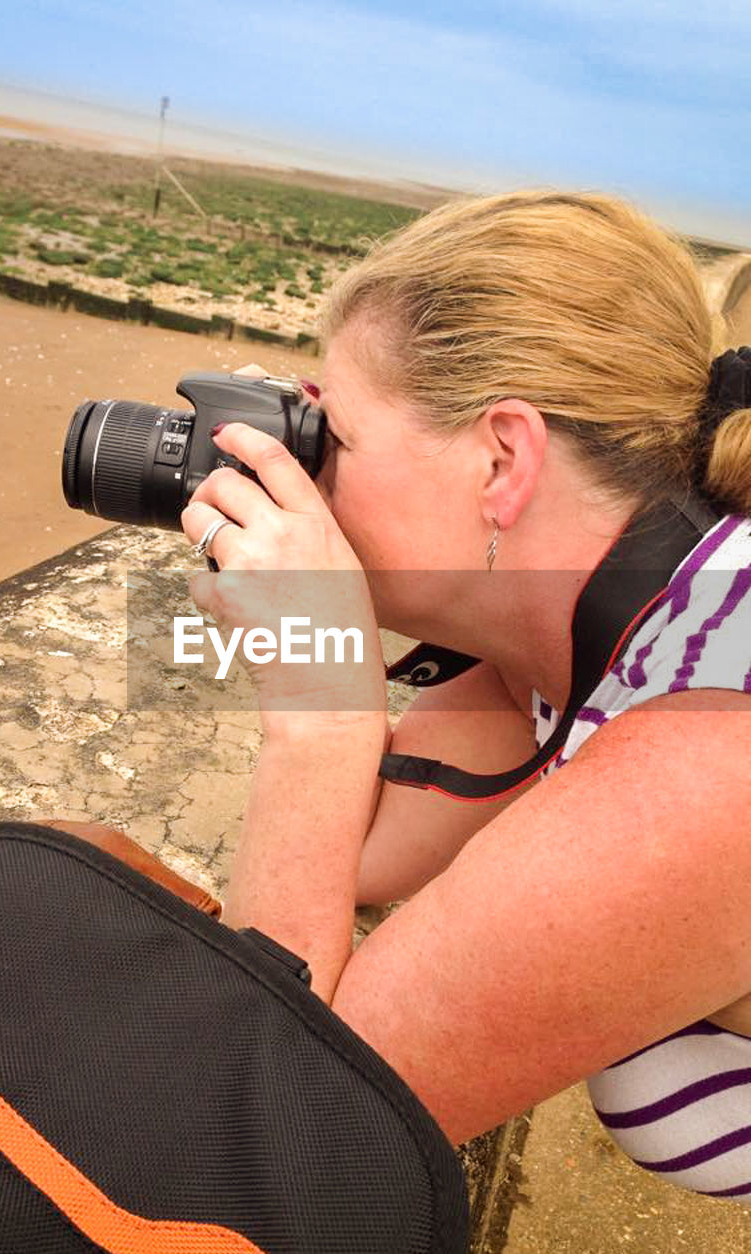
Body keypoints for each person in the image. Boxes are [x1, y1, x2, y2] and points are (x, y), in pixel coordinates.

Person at [180, 190, 751, 1201]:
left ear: (503, 458)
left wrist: (319, 711)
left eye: (332, 439)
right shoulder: (568, 651)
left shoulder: (708, 751)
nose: (306, 483)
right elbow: (344, 862)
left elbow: (282, 1124)